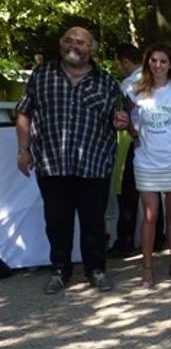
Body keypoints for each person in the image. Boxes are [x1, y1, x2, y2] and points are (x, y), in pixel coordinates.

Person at [15, 26, 129, 294]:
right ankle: (60, 270)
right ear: (60, 43)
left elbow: (119, 117)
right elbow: (24, 113)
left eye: (81, 42)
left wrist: (120, 121)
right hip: (53, 163)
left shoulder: (107, 82)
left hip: (94, 164)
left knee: (94, 222)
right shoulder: (42, 75)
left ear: (91, 49)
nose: (74, 45)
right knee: (57, 222)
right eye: (69, 40)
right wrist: (23, 149)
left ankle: (96, 270)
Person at [128, 43, 171, 287]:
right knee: (150, 216)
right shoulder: (136, 91)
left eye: (163, 61)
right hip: (146, 162)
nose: (158, 65)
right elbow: (127, 119)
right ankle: (147, 268)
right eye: (154, 60)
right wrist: (133, 133)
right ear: (148, 63)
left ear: (170, 65)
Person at [108, 42, 165, 257]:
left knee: (128, 193)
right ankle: (158, 237)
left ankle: (125, 240)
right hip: (156, 141)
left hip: (134, 142)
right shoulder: (156, 78)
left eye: (118, 63)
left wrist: (132, 132)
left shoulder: (129, 84)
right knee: (154, 190)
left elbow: (123, 113)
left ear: (124, 62)